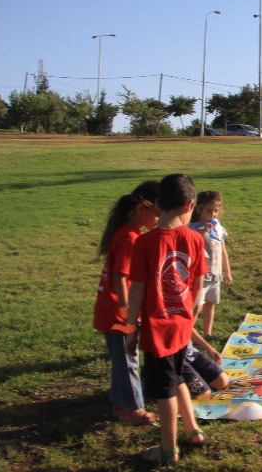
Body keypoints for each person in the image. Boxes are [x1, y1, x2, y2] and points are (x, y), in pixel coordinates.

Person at [121, 174, 208, 465]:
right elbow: (198, 284)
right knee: (178, 375)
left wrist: (130, 329)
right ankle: (193, 430)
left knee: (164, 390)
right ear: (190, 205)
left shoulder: (145, 243)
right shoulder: (196, 238)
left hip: (159, 332)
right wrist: (191, 316)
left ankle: (168, 450)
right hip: (182, 326)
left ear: (158, 204)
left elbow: (138, 289)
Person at [91, 180, 160, 426]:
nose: (159, 220)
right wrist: (126, 312)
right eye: (157, 214)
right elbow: (120, 277)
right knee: (129, 360)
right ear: (142, 208)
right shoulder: (130, 238)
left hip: (112, 310)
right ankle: (132, 409)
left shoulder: (130, 233)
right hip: (116, 312)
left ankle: (119, 404)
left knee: (122, 359)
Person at [187, 190, 232, 341]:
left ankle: (207, 333)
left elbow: (223, 250)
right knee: (197, 305)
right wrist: (202, 232)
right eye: (209, 211)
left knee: (210, 303)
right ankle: (187, 333)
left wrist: (227, 272)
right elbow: (190, 247)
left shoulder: (219, 228)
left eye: (216, 211)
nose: (213, 214)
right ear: (199, 210)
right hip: (200, 275)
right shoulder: (193, 228)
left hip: (215, 273)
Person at [183, 331, 230, 399]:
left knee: (223, 381)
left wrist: (209, 348)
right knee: (203, 394)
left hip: (191, 353)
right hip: (177, 360)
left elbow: (189, 328)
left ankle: (197, 378)